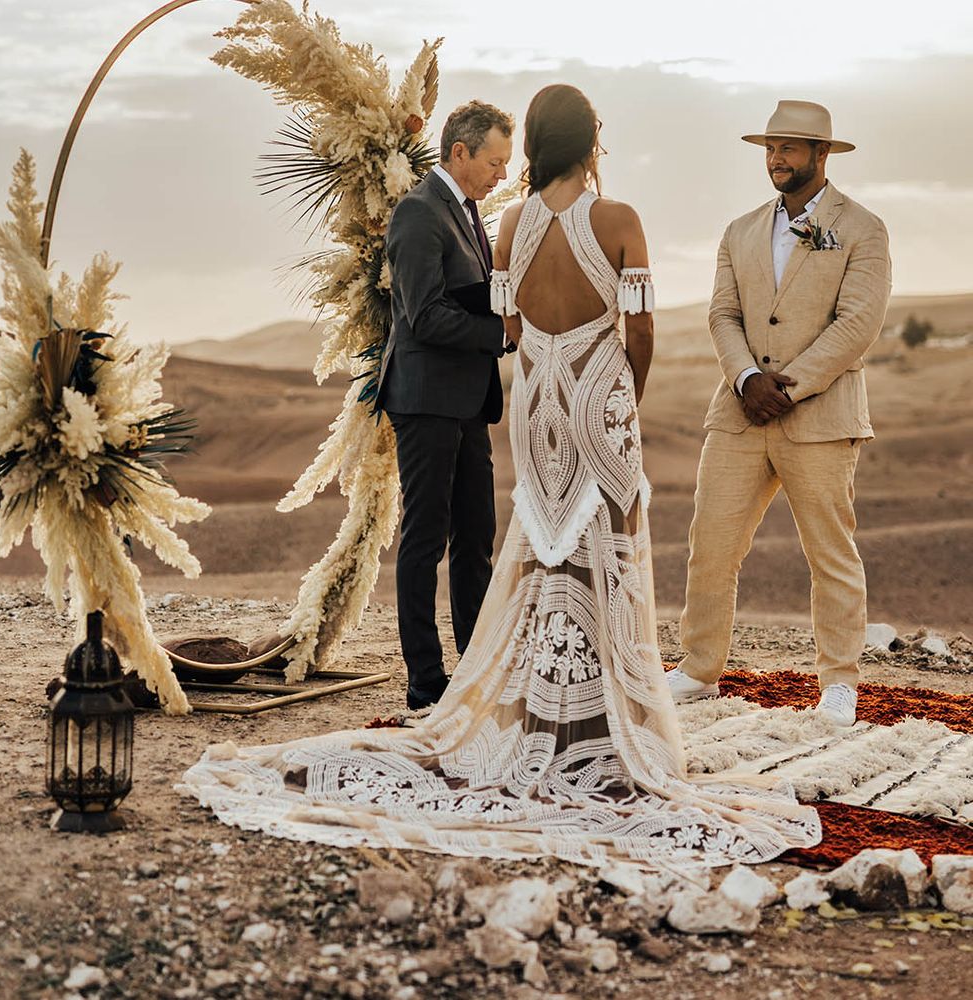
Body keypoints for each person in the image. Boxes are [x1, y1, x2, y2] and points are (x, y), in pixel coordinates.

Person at [182, 86, 820, 869]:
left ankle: (531, 713)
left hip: (534, 401)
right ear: (592, 143)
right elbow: (642, 325)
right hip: (597, 397)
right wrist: (623, 393)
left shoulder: (512, 223)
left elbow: (509, 321)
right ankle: (601, 727)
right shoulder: (618, 220)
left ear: (531, 149)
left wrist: (546, 363)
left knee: (539, 545)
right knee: (606, 550)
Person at [666, 101, 892, 728]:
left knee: (830, 551)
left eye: (790, 148)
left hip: (819, 417)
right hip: (739, 412)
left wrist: (786, 389)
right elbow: (723, 314)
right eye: (771, 148)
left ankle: (840, 681)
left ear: (823, 155)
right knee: (710, 544)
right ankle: (697, 667)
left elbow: (858, 323)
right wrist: (744, 378)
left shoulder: (863, 228)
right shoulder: (739, 230)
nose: (777, 158)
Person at [375, 101, 514, 711]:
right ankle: (425, 682)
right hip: (426, 399)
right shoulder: (418, 212)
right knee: (425, 539)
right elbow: (423, 314)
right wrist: (501, 336)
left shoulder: (470, 214)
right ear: (458, 152)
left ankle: (473, 669)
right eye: (494, 161)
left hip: (467, 401)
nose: (501, 174)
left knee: (476, 536)